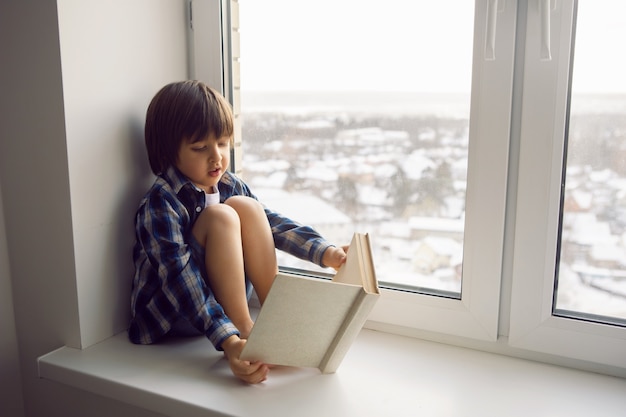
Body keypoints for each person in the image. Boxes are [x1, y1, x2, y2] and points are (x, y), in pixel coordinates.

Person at [128, 80, 347, 384]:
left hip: (219, 306)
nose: (216, 157)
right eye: (200, 148)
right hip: (175, 314)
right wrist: (231, 341)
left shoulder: (229, 184)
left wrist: (324, 251)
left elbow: (271, 225)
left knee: (248, 207)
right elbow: (180, 279)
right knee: (220, 216)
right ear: (169, 151)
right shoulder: (160, 204)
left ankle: (276, 316)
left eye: (222, 143)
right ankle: (247, 331)